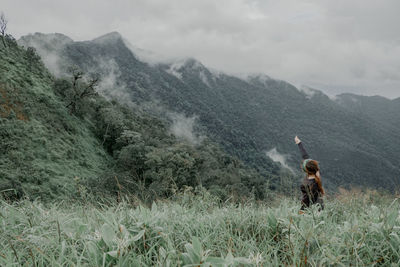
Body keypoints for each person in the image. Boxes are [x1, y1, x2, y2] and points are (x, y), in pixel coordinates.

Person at [294, 136, 325, 213]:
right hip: (320, 206)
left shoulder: (306, 184)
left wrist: (300, 212)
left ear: (306, 170)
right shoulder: (317, 174)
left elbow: (306, 200)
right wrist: (299, 143)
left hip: (313, 211)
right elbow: (306, 157)